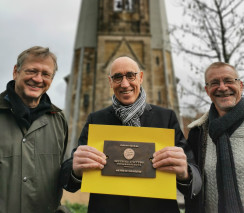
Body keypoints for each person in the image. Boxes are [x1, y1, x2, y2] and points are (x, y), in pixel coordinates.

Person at [60, 56, 201, 213]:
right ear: (110, 82)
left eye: (130, 76)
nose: (124, 84)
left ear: (140, 77)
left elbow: (193, 176)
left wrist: (185, 173)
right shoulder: (96, 119)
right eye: (117, 77)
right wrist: (76, 169)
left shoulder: (166, 118)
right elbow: (69, 178)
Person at [0, 46, 68, 213]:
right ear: (16, 71)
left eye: (46, 74)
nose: (38, 79)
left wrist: (77, 170)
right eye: (32, 71)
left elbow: (64, 174)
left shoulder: (59, 120)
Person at [186, 62, 244, 213]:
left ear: (241, 85)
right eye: (214, 83)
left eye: (229, 81)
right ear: (207, 90)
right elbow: (192, 185)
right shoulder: (197, 132)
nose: (223, 87)